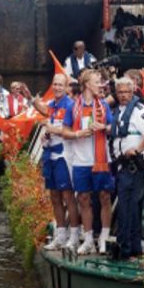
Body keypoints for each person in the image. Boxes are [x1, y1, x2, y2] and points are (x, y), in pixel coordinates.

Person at [61, 69, 113, 255]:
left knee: (104, 197)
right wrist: (78, 134)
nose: (100, 85)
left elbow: (112, 127)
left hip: (101, 159)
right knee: (83, 199)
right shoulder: (73, 107)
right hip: (81, 160)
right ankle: (89, 238)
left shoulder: (103, 106)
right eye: (97, 82)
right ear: (86, 85)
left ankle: (104, 238)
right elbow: (64, 132)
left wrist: (104, 127)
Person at [109, 77, 144, 260]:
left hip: (132, 166)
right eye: (120, 92)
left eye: (126, 92)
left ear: (132, 92)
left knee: (129, 208)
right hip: (121, 165)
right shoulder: (119, 111)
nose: (123, 95)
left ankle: (128, 249)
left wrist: (137, 150)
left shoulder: (138, 110)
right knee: (126, 208)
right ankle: (128, 247)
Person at [33, 73, 80, 250]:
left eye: (61, 85)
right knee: (54, 196)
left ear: (66, 87)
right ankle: (60, 235)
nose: (57, 88)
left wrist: (54, 130)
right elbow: (50, 126)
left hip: (64, 156)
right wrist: (47, 135)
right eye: (55, 84)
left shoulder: (71, 105)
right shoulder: (51, 106)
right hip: (50, 155)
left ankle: (74, 236)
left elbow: (73, 131)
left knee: (68, 196)